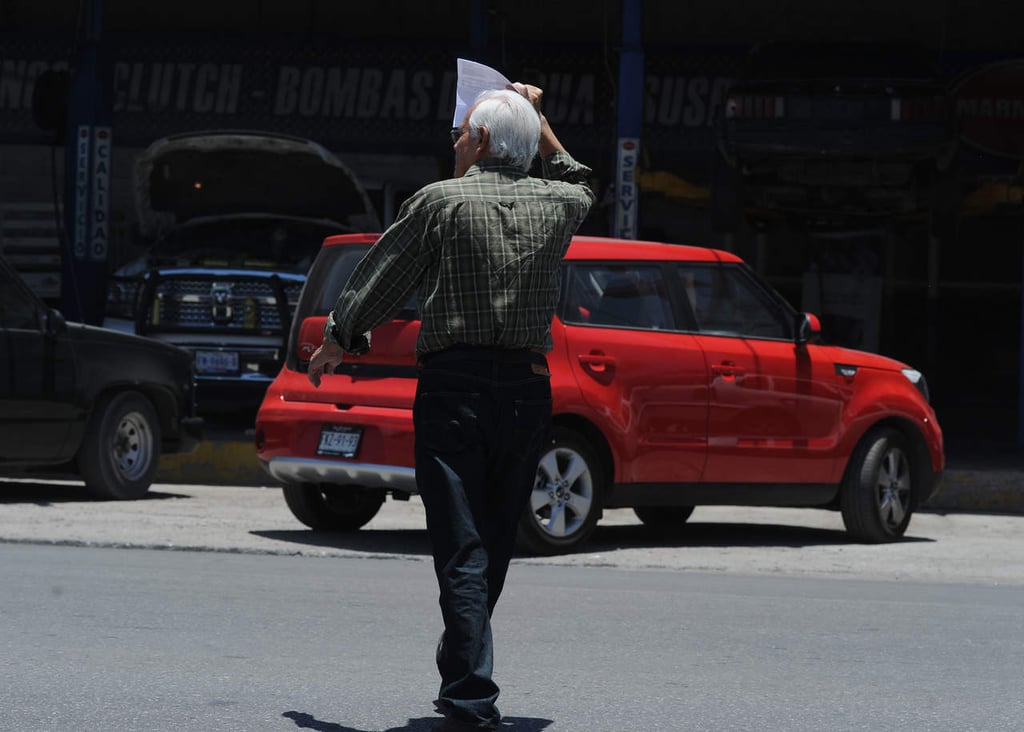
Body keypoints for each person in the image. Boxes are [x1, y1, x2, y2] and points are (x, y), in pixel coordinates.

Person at [306, 82, 595, 731]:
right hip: (526, 389)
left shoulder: (440, 201)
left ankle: (469, 695)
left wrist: (339, 338)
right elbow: (579, 177)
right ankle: (464, 665)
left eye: (462, 133)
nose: (456, 142)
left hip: (453, 387)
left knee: (462, 545)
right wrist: (540, 119)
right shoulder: (559, 203)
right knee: (492, 540)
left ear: (483, 140)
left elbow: (383, 275)